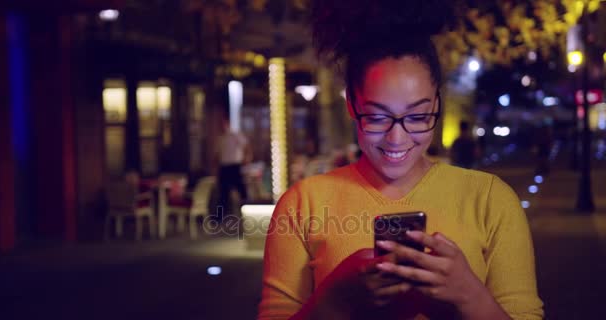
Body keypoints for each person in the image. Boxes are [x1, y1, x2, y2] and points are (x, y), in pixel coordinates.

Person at [258, 1, 543, 319]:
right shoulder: (303, 203)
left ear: (437, 103)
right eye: (378, 117)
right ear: (352, 104)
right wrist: (335, 299)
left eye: (418, 116)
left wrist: (469, 295)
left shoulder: (491, 200)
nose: (397, 138)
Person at [215, 117, 250, 221]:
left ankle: (247, 214)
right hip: (224, 167)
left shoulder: (235, 135)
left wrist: (246, 158)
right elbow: (217, 154)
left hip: (234, 167)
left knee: (242, 191)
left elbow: (246, 146)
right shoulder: (220, 138)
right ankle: (220, 217)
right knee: (222, 193)